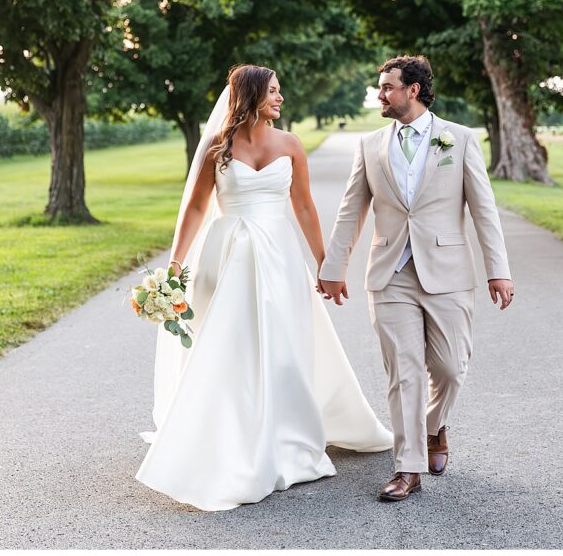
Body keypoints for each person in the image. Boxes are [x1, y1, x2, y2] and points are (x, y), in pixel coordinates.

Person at [136, 64, 393, 511]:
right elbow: (197, 208)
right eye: (273, 92)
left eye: (280, 91)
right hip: (226, 255)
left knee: (283, 345)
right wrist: (175, 266)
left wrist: (325, 264)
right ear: (252, 95)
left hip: (277, 257)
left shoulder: (291, 144)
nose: (280, 99)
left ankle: (283, 437)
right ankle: (229, 438)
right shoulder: (218, 146)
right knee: (228, 346)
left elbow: (306, 208)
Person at [318, 55, 514, 502]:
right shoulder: (369, 145)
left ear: (414, 90)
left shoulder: (458, 139)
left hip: (447, 271)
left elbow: (483, 209)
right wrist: (334, 268)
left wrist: (497, 270)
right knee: (403, 372)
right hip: (389, 273)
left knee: (450, 367)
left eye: (387, 87)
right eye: (380, 86)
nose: (380, 94)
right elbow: (351, 210)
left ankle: (432, 426)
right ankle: (408, 468)